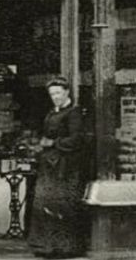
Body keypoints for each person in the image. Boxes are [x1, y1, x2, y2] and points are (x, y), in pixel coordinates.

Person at [27, 76, 89, 258]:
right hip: (50, 165)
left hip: (65, 167)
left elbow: (77, 139)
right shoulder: (52, 112)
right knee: (46, 204)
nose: (55, 97)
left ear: (67, 92)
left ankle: (64, 248)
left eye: (58, 93)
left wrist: (53, 143)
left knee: (62, 205)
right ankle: (47, 246)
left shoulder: (74, 113)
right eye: (52, 94)